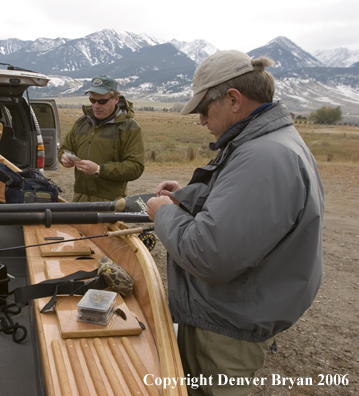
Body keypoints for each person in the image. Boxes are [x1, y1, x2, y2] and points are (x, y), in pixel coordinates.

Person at [146, 50, 324, 396]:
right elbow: (242, 212)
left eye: (203, 109)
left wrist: (162, 213)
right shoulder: (268, 144)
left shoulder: (264, 157)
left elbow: (209, 254)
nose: (201, 120)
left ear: (233, 100)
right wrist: (187, 197)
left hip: (226, 329)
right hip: (229, 315)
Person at [58, 75, 145, 202]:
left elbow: (135, 167)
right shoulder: (82, 123)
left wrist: (99, 169)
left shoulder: (130, 128)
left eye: (102, 101)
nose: (96, 106)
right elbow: (64, 148)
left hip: (110, 205)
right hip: (80, 200)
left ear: (116, 99)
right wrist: (63, 157)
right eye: (92, 100)